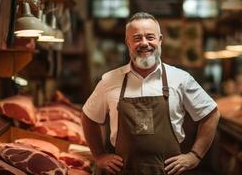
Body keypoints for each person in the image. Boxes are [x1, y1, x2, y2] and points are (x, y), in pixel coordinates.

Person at [82, 12, 220, 175]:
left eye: (150, 37)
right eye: (137, 38)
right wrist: (99, 155)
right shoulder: (109, 80)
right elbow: (88, 118)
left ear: (160, 40)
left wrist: (195, 155)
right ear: (128, 42)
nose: (144, 43)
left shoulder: (180, 78)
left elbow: (211, 113)